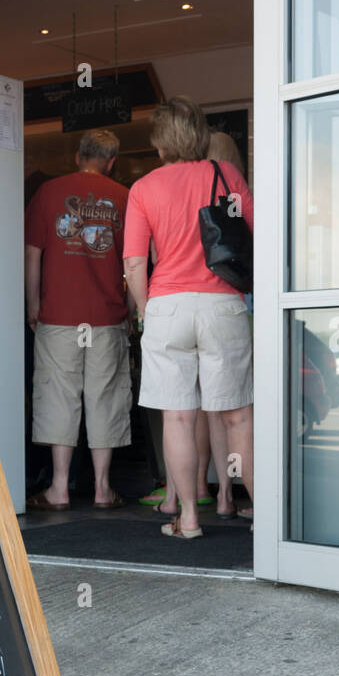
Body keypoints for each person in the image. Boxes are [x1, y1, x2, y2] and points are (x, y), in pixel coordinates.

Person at [123, 97, 254, 540]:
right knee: (237, 417)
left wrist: (145, 311)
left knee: (178, 418)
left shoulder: (144, 189)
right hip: (222, 304)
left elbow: (135, 263)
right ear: (199, 136)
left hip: (168, 307)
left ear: (161, 143)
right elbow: (255, 234)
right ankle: (268, 523)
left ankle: (188, 520)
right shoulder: (226, 175)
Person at [24, 127, 131, 510]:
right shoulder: (124, 197)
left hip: (59, 316)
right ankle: (103, 489)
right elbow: (132, 263)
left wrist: (32, 304)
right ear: (112, 162)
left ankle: (59, 488)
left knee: (59, 396)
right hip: (105, 317)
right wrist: (131, 309)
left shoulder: (48, 193)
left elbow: (33, 254)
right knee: (105, 397)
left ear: (77, 157)